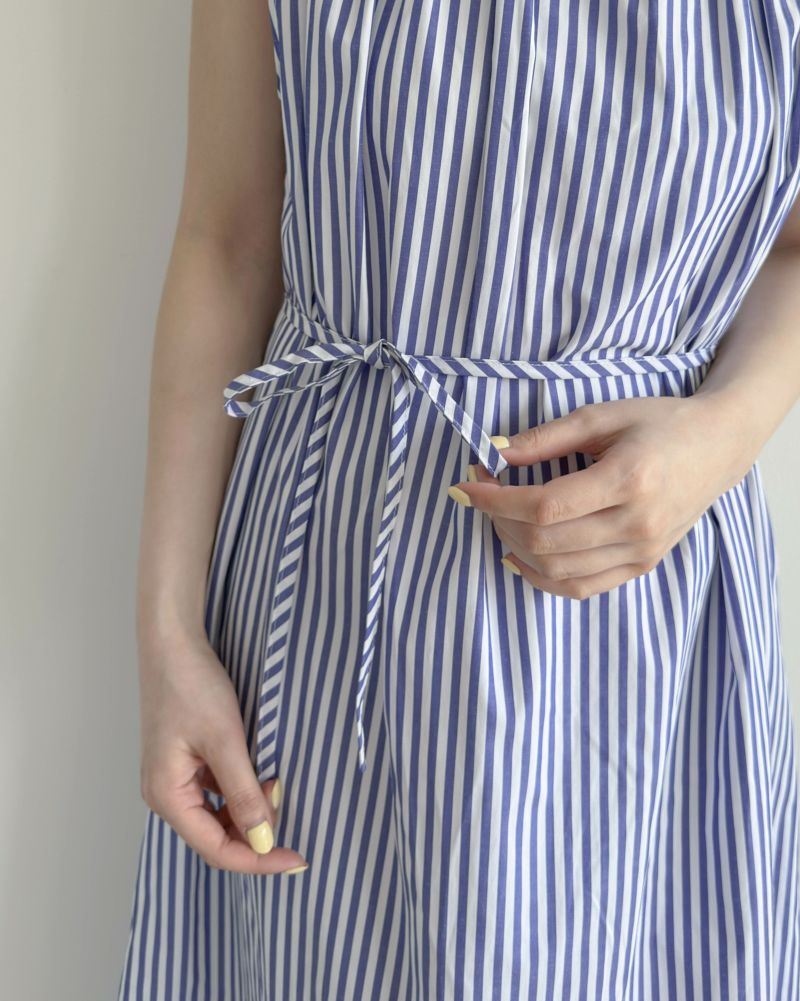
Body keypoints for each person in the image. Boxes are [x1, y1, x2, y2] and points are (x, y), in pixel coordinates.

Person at [117, 0, 800, 997]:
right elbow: (228, 242)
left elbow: (789, 243)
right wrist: (169, 636)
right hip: (322, 592)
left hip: (634, 612)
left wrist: (722, 436)